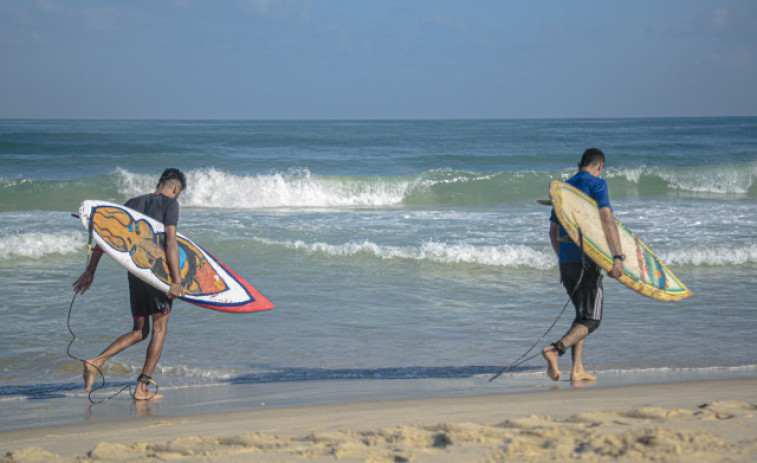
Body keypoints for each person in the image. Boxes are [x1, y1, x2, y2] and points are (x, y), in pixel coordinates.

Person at [73, 168, 187, 400]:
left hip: (136, 273)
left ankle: (96, 362)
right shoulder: (170, 205)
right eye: (179, 193)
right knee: (159, 329)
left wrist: (90, 271)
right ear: (176, 189)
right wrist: (176, 281)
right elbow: (171, 243)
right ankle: (142, 388)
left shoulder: (131, 202)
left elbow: (107, 239)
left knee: (140, 331)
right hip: (158, 275)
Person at [542, 149, 623, 383]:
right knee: (592, 320)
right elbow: (607, 219)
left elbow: (553, 231)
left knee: (581, 316)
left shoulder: (563, 189)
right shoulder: (598, 184)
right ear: (600, 166)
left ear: (580, 164)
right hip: (587, 260)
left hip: (567, 261)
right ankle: (555, 350)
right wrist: (618, 256)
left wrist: (562, 261)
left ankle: (577, 369)